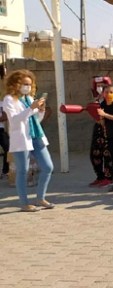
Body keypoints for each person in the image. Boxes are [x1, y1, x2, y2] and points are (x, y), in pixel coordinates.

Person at [3, 69, 55, 212]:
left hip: (36, 136)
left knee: (48, 167)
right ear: (16, 83)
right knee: (23, 171)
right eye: (25, 84)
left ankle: (40, 197)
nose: (28, 87)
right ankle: (24, 203)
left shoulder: (30, 99)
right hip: (21, 139)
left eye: (30, 85)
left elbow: (35, 120)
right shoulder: (9, 99)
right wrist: (31, 109)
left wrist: (41, 110)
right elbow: (14, 120)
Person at [88, 77, 113, 188]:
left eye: (102, 86)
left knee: (108, 154)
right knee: (95, 153)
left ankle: (108, 178)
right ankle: (100, 176)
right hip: (98, 129)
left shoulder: (111, 101)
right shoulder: (97, 100)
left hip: (109, 129)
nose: (100, 88)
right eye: (98, 86)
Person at [0, 99, 9, 179]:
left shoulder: (2, 104)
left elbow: (5, 116)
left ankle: (5, 171)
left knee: (8, 148)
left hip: (1, 130)